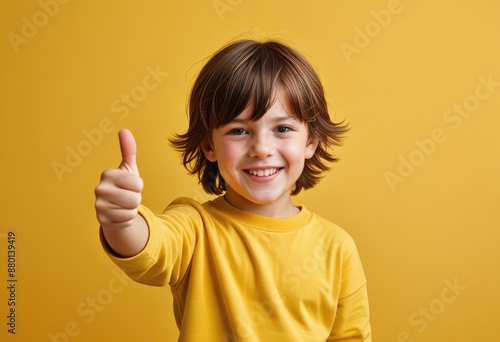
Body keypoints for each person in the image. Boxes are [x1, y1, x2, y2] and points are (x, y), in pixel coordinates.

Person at [95, 39, 371, 341]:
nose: (262, 149)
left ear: (310, 142)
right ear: (208, 145)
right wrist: (121, 220)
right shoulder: (195, 227)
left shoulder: (337, 248)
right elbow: (151, 249)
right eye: (239, 131)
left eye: (282, 129)